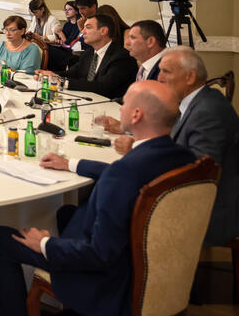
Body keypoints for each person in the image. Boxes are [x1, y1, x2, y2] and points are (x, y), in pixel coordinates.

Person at [0, 80, 193, 316]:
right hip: (150, 267)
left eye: (124, 103)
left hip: (105, 281)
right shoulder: (184, 158)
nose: (120, 108)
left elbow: (98, 254)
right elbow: (130, 175)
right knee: (67, 213)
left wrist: (44, 243)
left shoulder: (123, 173)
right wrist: (72, 164)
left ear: (136, 115)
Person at [102, 48, 239, 246]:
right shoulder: (194, 103)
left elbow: (197, 174)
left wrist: (137, 150)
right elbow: (172, 144)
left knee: (113, 199)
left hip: (209, 213)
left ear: (190, 76)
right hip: (186, 196)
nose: (159, 78)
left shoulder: (208, 112)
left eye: (166, 71)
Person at [37, 14, 136, 100]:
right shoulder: (89, 53)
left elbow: (104, 87)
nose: (83, 31)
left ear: (103, 31)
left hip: (111, 107)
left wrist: (63, 83)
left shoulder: (121, 57)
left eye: (88, 27)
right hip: (88, 101)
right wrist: (50, 74)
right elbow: (73, 73)